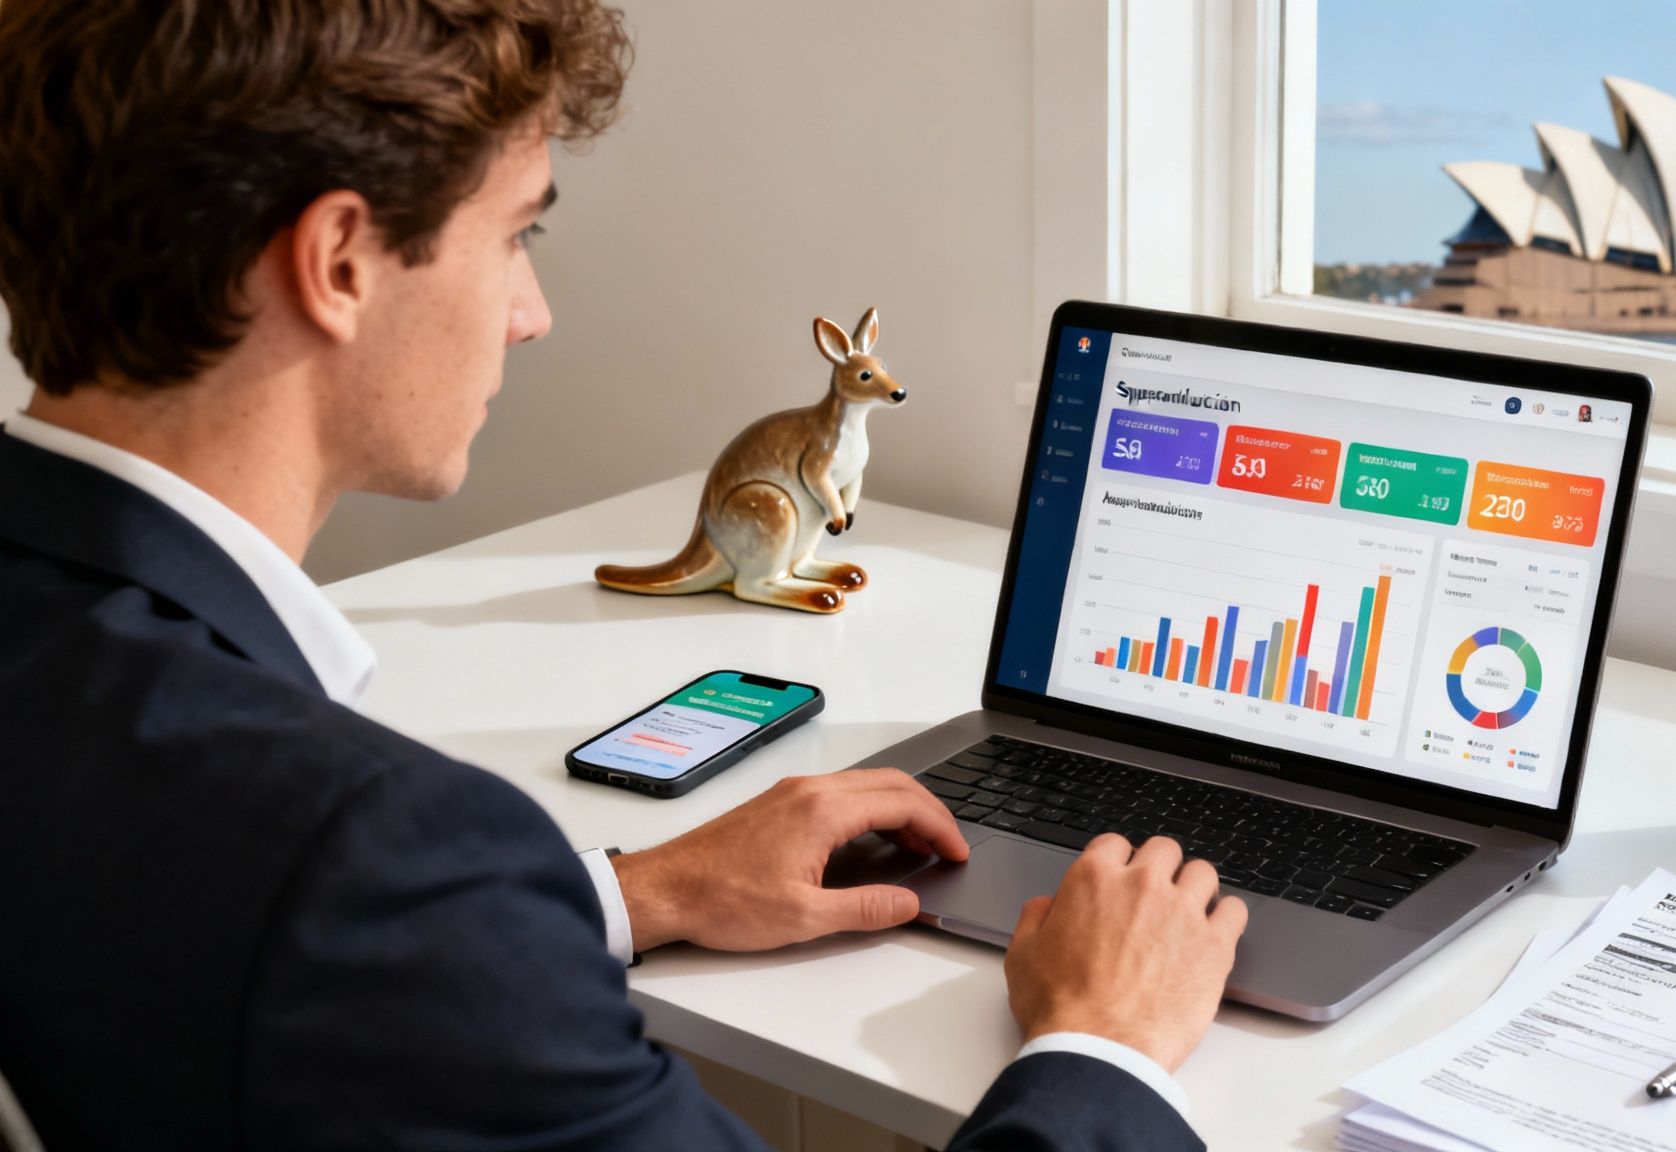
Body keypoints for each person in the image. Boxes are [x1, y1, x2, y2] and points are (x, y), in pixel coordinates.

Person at [0, 2, 1248, 1149]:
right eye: (516, 232)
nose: (530, 312)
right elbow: (358, 919)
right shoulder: (379, 857)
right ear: (337, 261)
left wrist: (628, 894)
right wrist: (1106, 1044)